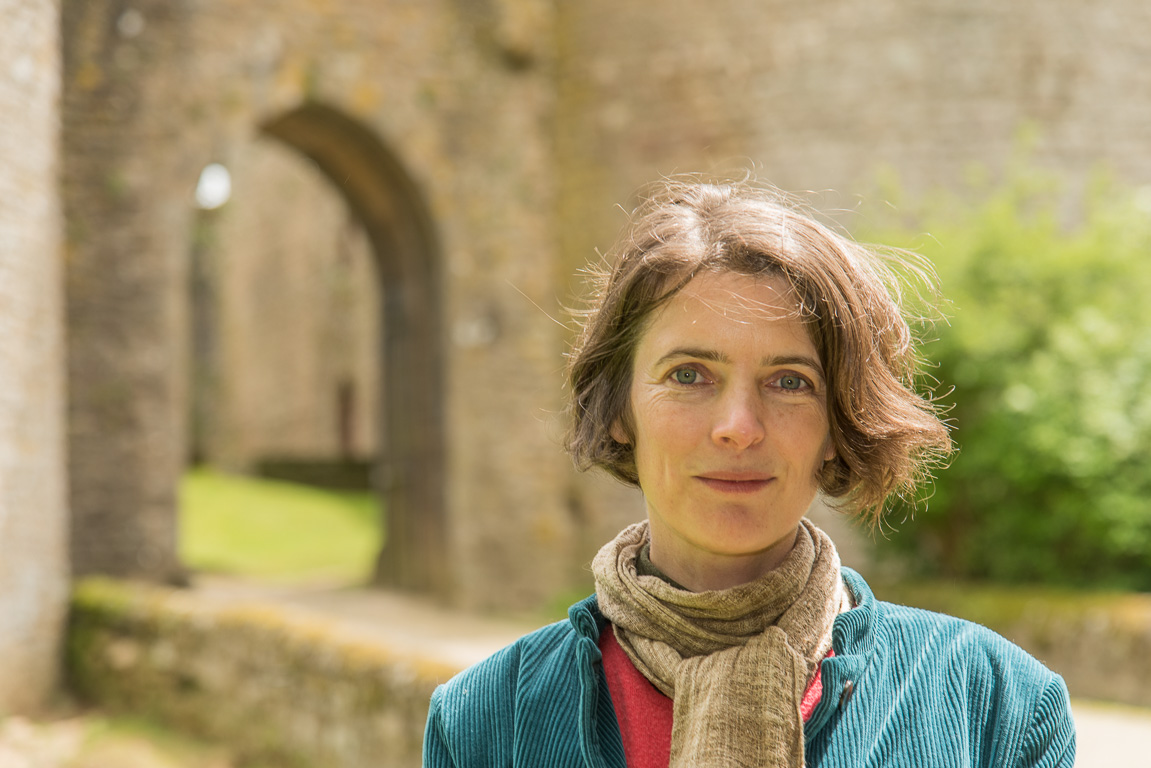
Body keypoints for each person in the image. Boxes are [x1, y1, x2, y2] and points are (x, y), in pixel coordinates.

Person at [422, 179, 1076, 767]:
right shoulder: (487, 719)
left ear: (836, 424)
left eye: (789, 381)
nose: (738, 425)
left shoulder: (993, 705)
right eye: (688, 375)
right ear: (618, 408)